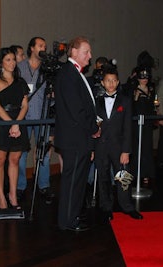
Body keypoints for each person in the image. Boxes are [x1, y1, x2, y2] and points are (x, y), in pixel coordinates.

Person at [54, 36, 100, 231]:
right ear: (73, 52)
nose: (90, 56)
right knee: (72, 181)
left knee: (77, 180)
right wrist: (94, 128)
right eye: (86, 52)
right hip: (74, 138)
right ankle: (67, 221)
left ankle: (72, 216)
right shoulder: (68, 73)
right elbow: (77, 109)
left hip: (78, 138)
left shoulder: (74, 73)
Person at [94, 65, 143, 222]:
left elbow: (129, 127)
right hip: (101, 146)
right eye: (108, 81)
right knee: (103, 178)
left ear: (118, 82)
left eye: (114, 80)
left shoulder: (126, 101)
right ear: (103, 83)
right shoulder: (97, 102)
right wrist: (92, 148)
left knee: (123, 177)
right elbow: (92, 126)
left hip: (119, 147)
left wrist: (126, 151)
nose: (111, 83)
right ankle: (106, 207)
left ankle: (127, 206)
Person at [0, 47, 30, 210]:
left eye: (13, 59)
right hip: (1, 122)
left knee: (14, 160)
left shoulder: (21, 82)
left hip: (18, 121)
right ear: (1, 63)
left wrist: (17, 123)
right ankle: (1, 196)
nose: (12, 63)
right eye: (8, 60)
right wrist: (11, 124)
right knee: (0, 160)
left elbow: (25, 105)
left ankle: (13, 195)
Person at [17, 37, 54, 204]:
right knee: (21, 154)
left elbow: (53, 96)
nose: (43, 48)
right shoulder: (19, 68)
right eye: (40, 45)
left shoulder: (48, 69)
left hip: (42, 116)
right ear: (32, 48)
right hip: (23, 117)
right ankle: (20, 186)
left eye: (45, 46)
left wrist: (53, 97)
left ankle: (44, 185)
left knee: (44, 153)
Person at [131, 67, 156, 185]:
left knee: (147, 148)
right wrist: (136, 96)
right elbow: (133, 106)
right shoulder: (134, 89)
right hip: (137, 123)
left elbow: (152, 106)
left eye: (146, 77)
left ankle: (146, 173)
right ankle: (136, 173)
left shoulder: (151, 89)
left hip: (147, 122)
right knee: (137, 147)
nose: (144, 79)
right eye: (142, 77)